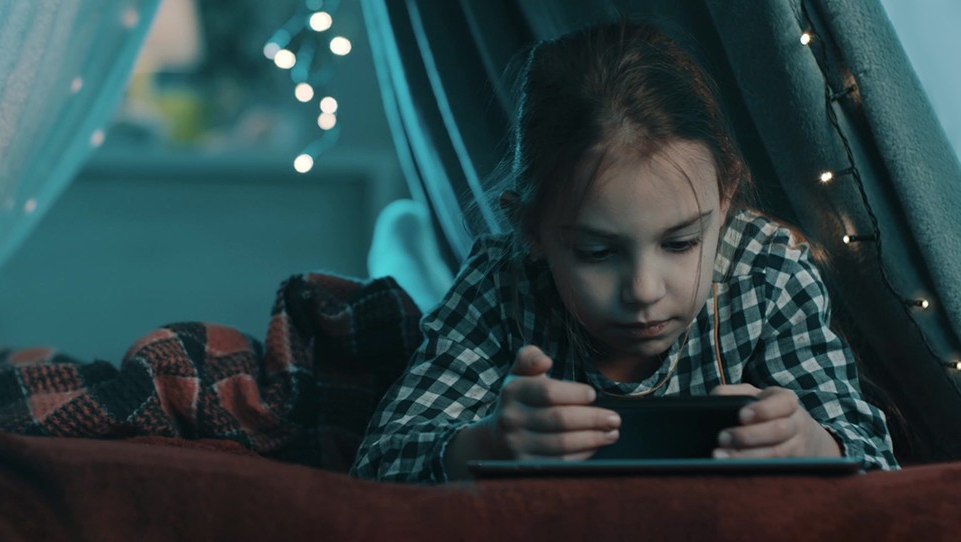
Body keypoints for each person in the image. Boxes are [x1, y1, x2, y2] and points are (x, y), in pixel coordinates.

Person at [350, 20, 898, 484]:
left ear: (726, 195)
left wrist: (812, 444)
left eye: (681, 242)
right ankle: (404, 245)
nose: (644, 291)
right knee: (410, 290)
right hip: (473, 294)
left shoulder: (771, 270)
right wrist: (480, 443)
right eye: (596, 252)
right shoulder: (501, 282)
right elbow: (375, 465)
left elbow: (877, 465)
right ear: (532, 228)